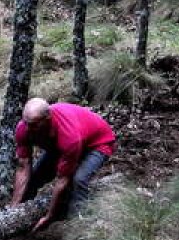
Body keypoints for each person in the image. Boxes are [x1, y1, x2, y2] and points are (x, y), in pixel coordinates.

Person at [11, 98, 116, 232]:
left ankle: (78, 226)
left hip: (98, 144)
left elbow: (62, 179)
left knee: (79, 180)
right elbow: (23, 167)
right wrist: (13, 207)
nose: (28, 129)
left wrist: (49, 216)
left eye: (34, 125)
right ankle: (19, 219)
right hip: (64, 144)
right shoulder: (23, 129)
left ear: (47, 119)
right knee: (35, 177)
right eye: (26, 123)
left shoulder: (68, 136)